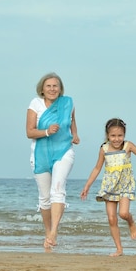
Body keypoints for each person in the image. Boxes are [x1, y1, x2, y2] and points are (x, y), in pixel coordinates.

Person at [80, 118, 136, 256]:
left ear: (124, 135)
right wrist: (87, 186)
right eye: (113, 136)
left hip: (125, 185)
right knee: (111, 218)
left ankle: (131, 222)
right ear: (108, 135)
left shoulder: (128, 146)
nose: (116, 139)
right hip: (109, 187)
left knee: (123, 214)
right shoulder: (104, 149)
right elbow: (97, 168)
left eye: (120, 135)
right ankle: (119, 249)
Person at [26, 72, 80, 251]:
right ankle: (48, 232)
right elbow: (29, 132)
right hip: (41, 154)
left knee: (58, 190)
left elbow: (72, 121)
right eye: (48, 86)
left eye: (55, 86)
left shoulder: (67, 103)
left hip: (63, 151)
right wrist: (47, 131)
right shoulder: (35, 104)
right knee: (45, 198)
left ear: (60, 88)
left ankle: (54, 232)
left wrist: (75, 134)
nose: (52, 89)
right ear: (42, 89)